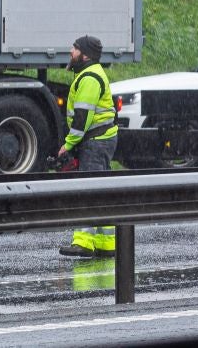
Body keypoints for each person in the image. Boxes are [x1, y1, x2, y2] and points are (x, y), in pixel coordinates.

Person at [57, 34, 119, 258]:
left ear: (85, 54)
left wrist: (69, 144)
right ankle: (105, 243)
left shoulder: (90, 77)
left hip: (95, 140)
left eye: (74, 49)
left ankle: (83, 242)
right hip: (99, 139)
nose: (71, 53)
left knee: (88, 191)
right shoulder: (89, 74)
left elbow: (82, 116)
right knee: (101, 191)